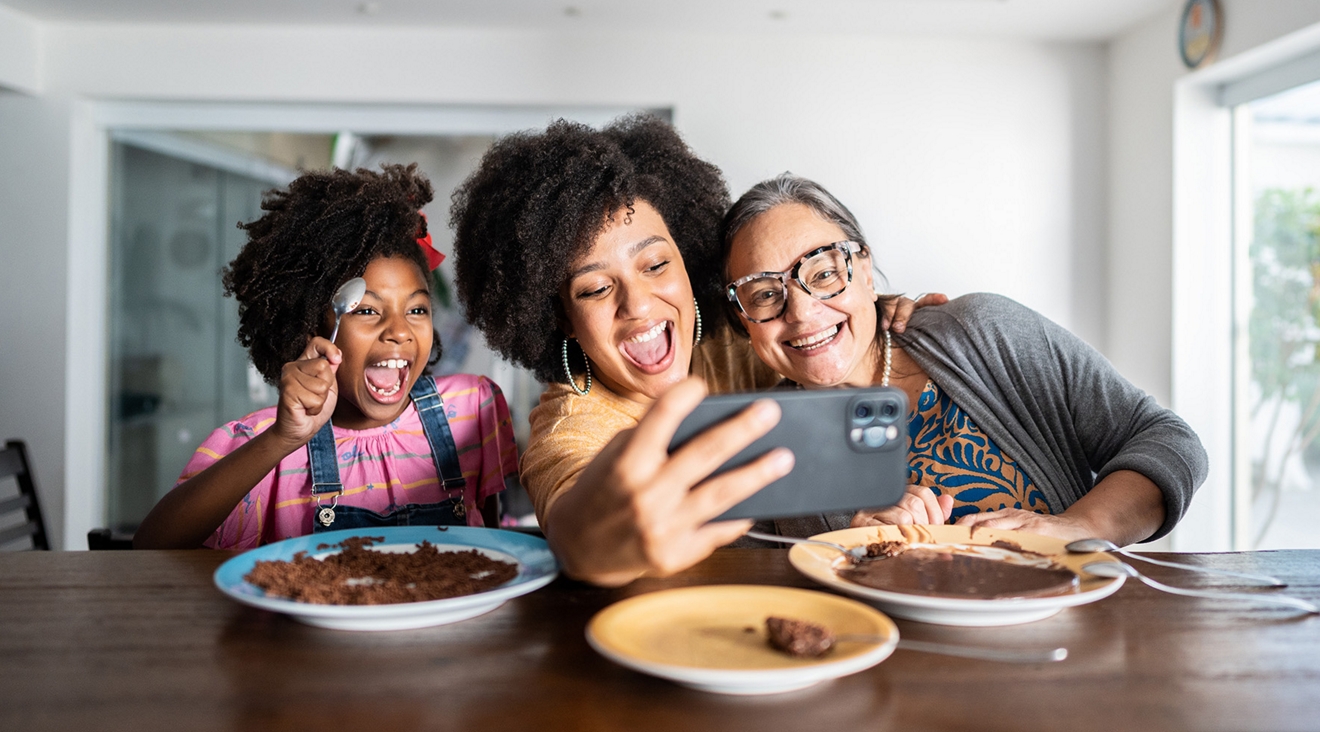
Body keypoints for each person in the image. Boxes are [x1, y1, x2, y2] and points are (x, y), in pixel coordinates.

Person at [451, 116, 937, 585]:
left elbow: (819, 325)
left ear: (689, 262)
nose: (638, 305)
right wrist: (600, 546)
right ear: (562, 319)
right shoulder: (571, 421)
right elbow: (575, 523)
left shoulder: (747, 336)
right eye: (596, 289)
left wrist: (884, 313)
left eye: (656, 264)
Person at [719, 173, 1209, 545]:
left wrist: (1080, 526)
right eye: (765, 293)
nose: (802, 312)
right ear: (744, 319)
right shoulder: (762, 449)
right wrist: (852, 544)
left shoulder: (984, 331)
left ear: (864, 271)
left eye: (823, 273)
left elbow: (1168, 440)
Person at [133, 164, 519, 550]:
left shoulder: (472, 411)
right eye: (366, 310)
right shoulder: (263, 444)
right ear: (311, 327)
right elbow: (151, 547)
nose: (400, 331)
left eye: (417, 310)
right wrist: (281, 439)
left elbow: (491, 546)